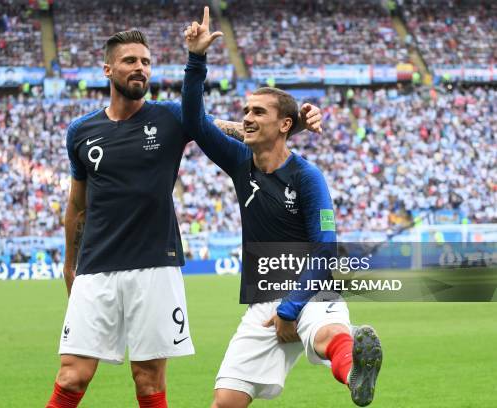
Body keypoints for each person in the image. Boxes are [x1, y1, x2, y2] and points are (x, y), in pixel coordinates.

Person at [46, 28, 322, 408]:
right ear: (107, 69)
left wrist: (295, 122)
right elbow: (77, 205)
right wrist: (69, 263)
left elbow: (229, 130)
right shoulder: (81, 132)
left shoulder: (171, 117)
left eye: (145, 61)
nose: (140, 68)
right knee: (72, 376)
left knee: (148, 381)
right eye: (130, 61)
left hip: (155, 266)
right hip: (96, 267)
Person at [182, 8, 382, 407]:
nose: (247, 118)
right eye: (245, 112)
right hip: (263, 300)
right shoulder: (240, 162)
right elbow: (194, 120)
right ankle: (349, 361)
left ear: (285, 124)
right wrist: (196, 59)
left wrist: (291, 309)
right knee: (225, 401)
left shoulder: (308, 177)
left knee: (328, 338)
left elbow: (325, 249)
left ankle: (356, 367)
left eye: (258, 112)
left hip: (310, 293)